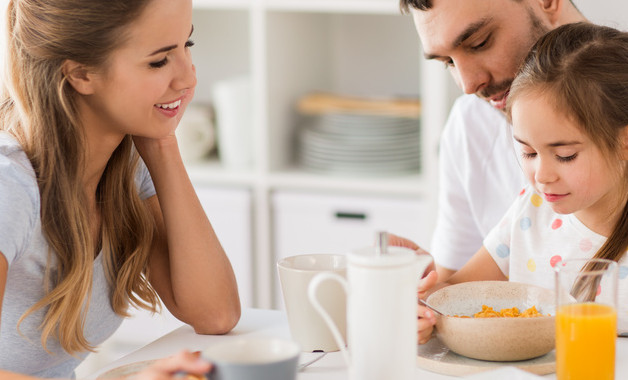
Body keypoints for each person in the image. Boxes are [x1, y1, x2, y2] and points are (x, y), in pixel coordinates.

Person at [0, 0, 241, 378]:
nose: (189, 78)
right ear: (81, 74)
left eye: (187, 46)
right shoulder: (9, 188)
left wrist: (161, 144)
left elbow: (215, 314)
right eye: (159, 61)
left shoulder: (125, 163)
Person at [418, 22, 628, 340]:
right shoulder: (530, 211)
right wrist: (422, 307)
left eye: (565, 155)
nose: (542, 176)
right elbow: (456, 295)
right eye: (528, 153)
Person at [398, 0, 586, 280]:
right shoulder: (470, 125)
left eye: (479, 43)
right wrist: (428, 292)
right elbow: (460, 296)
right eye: (447, 62)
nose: (468, 85)